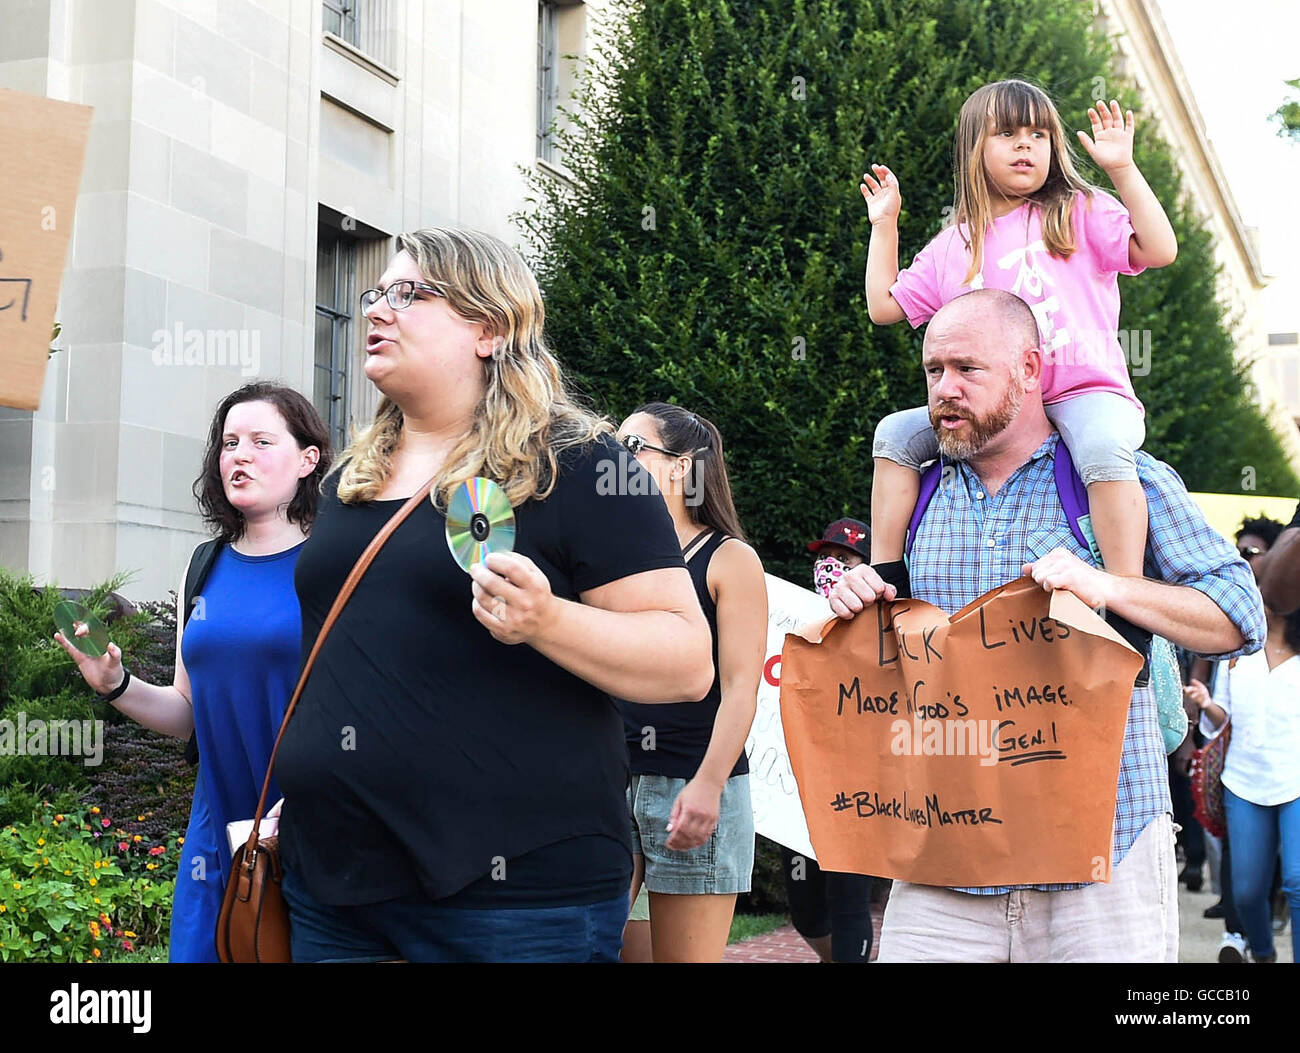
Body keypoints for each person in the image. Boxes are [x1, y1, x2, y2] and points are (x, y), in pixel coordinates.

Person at [271, 228, 713, 963]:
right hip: (334, 888)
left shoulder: (577, 464)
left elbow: (686, 660)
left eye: (409, 293)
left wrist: (547, 618)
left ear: (490, 327)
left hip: (516, 897)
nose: (379, 308)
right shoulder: (348, 479)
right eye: (375, 293)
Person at [828, 289, 1264, 962]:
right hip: (948, 853)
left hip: (1102, 850)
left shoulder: (1115, 481)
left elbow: (1240, 613)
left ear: (1031, 369)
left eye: (967, 369)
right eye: (933, 370)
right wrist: (864, 601)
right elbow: (890, 658)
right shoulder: (914, 492)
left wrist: (1112, 586)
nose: (945, 388)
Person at [861, 79, 1178, 655]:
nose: (1025, 145)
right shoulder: (955, 244)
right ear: (973, 149)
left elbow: (1158, 250)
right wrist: (885, 224)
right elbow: (884, 306)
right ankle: (887, 573)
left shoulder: (1077, 211)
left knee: (1105, 448)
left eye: (1038, 134)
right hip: (1001, 412)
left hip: (1086, 393)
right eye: (1006, 133)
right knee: (894, 434)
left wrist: (1123, 169)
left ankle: (1124, 602)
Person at [55, 381, 330, 962]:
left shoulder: (332, 564)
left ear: (309, 460)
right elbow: (189, 715)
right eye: (230, 443)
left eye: (261, 441)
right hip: (216, 836)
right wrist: (116, 686)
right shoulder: (203, 565)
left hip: (309, 830)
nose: (241, 455)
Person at [615, 402, 766, 963]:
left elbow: (742, 687)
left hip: (693, 784)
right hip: (611, 781)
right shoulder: (620, 558)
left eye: (632, 448)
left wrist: (707, 785)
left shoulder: (729, 559)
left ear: (682, 467)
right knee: (595, 948)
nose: (615, 459)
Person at [1186, 517, 1300, 964]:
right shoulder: (1238, 650)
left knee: (1295, 882)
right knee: (1248, 890)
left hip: (1295, 782)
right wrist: (1204, 701)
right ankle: (1264, 953)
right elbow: (1222, 720)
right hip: (1243, 782)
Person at [777, 518, 878, 963]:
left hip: (858, 786)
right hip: (796, 783)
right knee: (806, 909)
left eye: (844, 558)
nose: (830, 566)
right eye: (824, 557)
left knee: (848, 898)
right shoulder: (790, 617)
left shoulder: (886, 622)